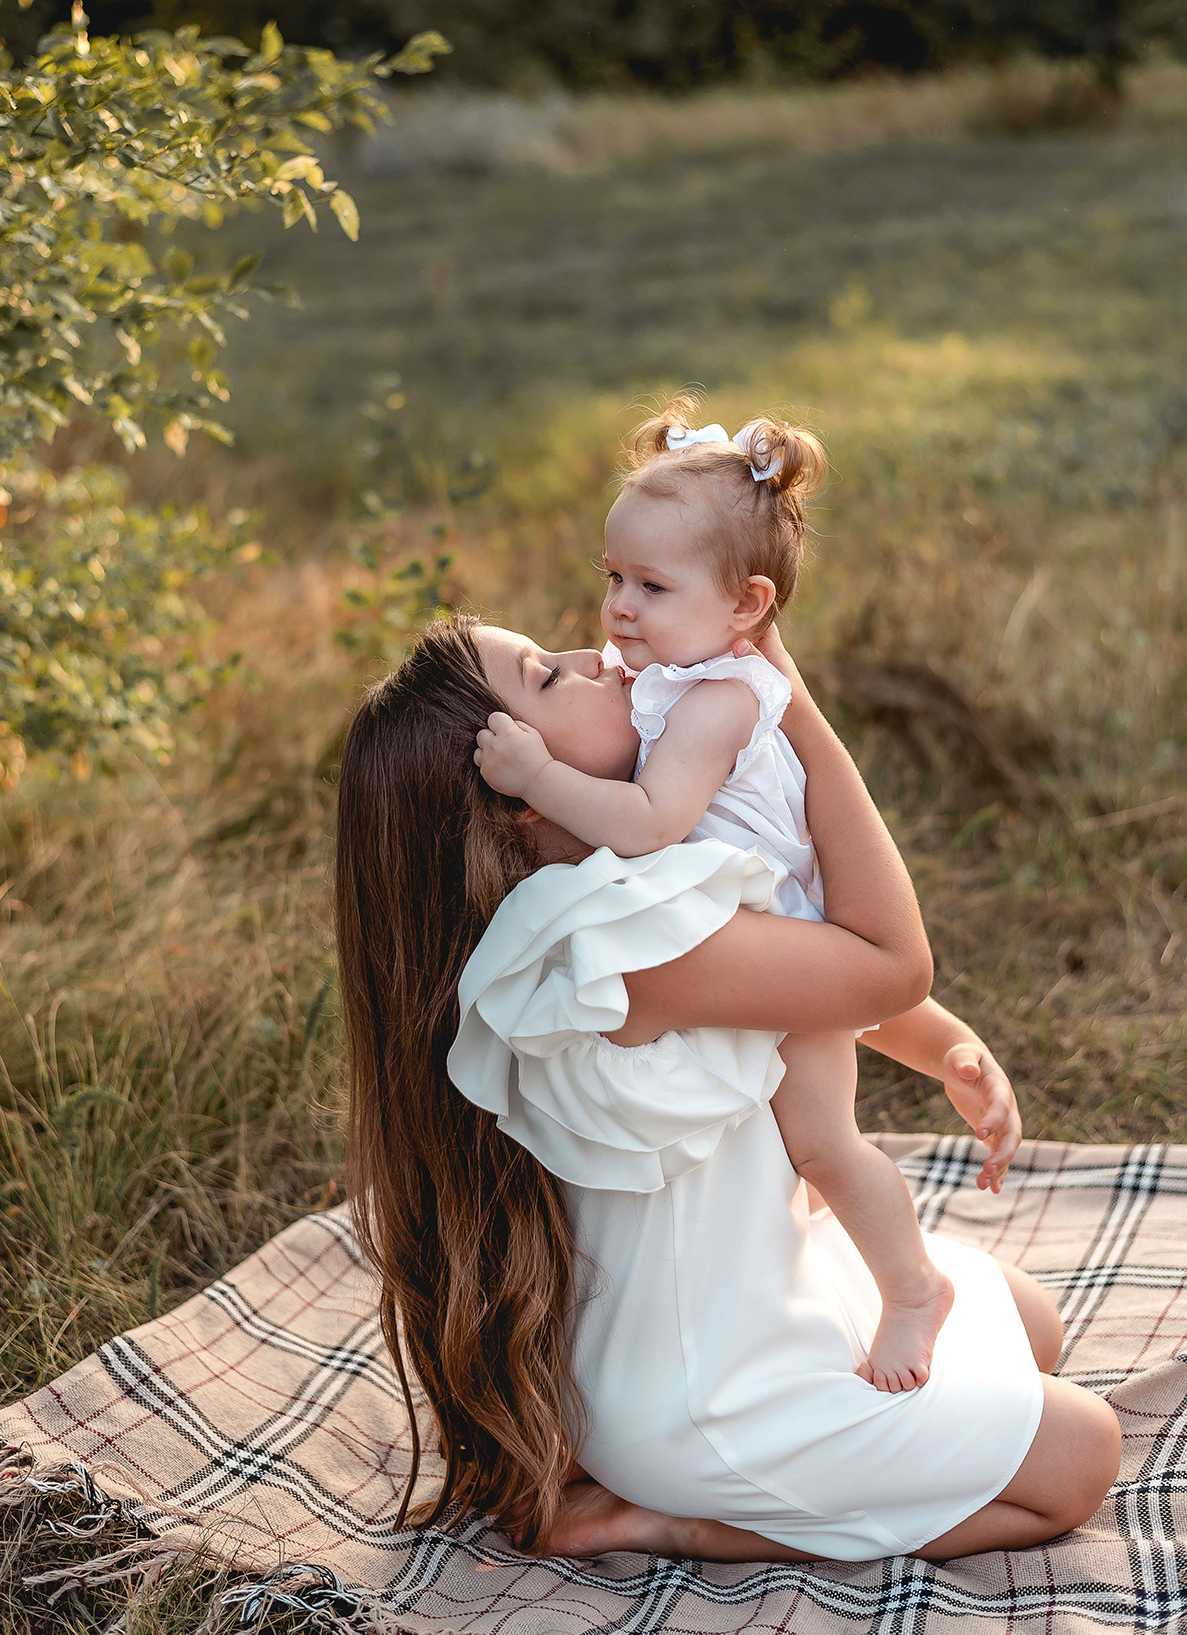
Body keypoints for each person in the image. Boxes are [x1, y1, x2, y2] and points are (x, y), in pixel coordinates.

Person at [335, 613, 1121, 1563]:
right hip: (707, 1390)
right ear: (516, 800)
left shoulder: (629, 884)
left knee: (1032, 1324)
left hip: (759, 1292)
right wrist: (793, 706)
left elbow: (795, 976)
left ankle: (756, 1460)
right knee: (1082, 1454)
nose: (591, 657)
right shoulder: (607, 944)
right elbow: (885, 964)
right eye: (547, 676)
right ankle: (683, 1521)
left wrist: (948, 1045)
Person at [473, 403, 951, 1393]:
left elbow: (650, 822)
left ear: (746, 606)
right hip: (764, 935)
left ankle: (911, 1287)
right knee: (790, 1143)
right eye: (611, 576)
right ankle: (799, 1270)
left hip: (782, 928)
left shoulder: (718, 700)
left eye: (651, 586)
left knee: (821, 1143)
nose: (616, 611)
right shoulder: (673, 683)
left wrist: (538, 776)